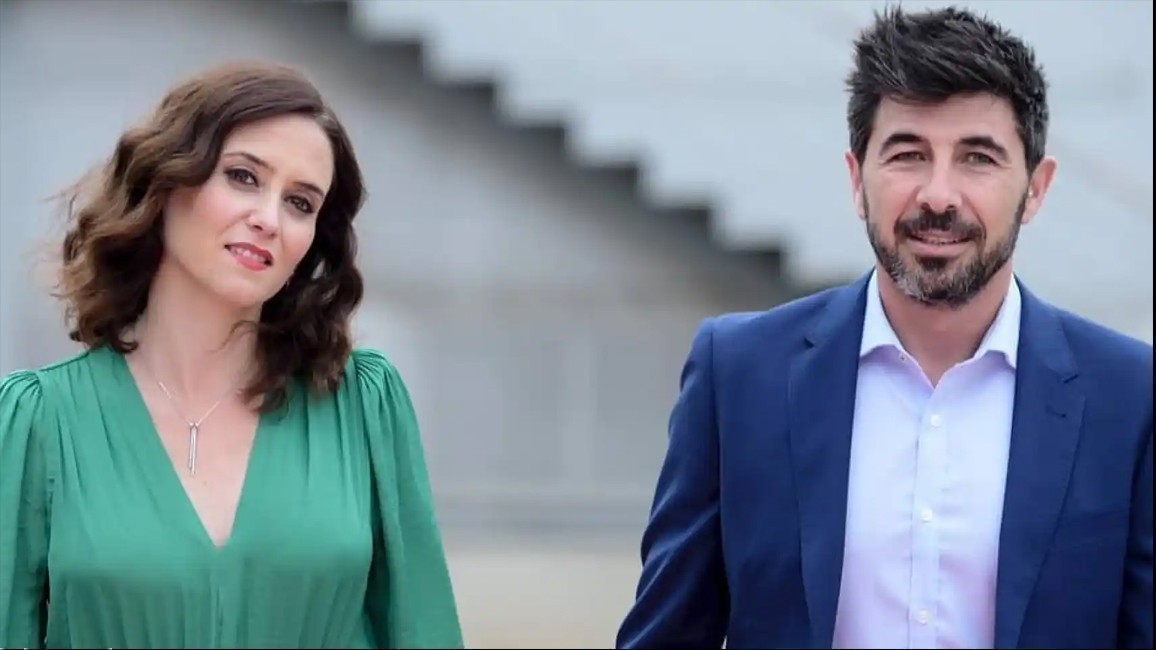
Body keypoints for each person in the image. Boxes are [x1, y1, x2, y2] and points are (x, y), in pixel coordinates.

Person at [616, 6, 1152, 650]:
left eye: (978, 158)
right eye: (908, 155)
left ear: (1036, 189)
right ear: (856, 180)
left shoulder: (1131, 398)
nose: (938, 195)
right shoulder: (738, 374)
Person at [0, 61, 464, 649]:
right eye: (243, 177)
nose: (269, 219)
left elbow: (424, 631)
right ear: (166, 182)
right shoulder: (38, 422)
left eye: (300, 203)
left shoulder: (363, 406)